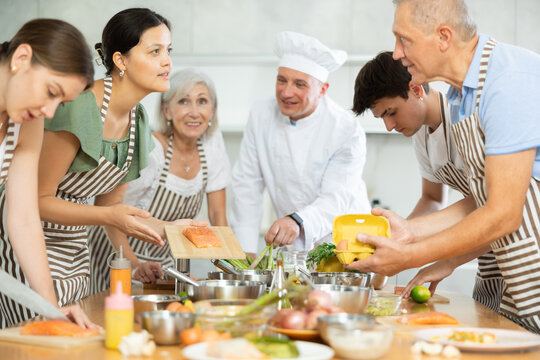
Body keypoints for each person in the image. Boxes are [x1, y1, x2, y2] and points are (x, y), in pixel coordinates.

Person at [348, 0, 540, 333]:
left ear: (443, 37)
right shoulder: (461, 96)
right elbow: (483, 199)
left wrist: (412, 255)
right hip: (518, 268)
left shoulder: (507, 81)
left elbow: (504, 212)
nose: (396, 53)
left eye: (403, 39)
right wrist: (410, 232)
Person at [33, 8, 194, 306]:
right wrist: (110, 215)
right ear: (120, 60)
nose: (167, 61)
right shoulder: (81, 107)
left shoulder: (138, 121)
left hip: (73, 251)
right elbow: (38, 200)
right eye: (154, 51)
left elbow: (111, 207)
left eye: (168, 50)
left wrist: (135, 264)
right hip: (27, 245)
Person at [231, 31, 371, 255]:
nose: (286, 92)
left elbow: (336, 198)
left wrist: (297, 220)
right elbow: (247, 185)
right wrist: (244, 251)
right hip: (292, 246)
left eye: (300, 84)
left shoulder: (345, 129)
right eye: (281, 80)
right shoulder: (261, 114)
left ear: (323, 90)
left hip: (344, 245)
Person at [89, 68, 230, 288]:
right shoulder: (151, 150)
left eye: (202, 101)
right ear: (166, 110)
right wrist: (134, 265)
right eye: (183, 101)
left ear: (213, 110)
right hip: (117, 255)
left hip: (162, 264)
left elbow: (217, 214)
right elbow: (111, 213)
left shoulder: (211, 149)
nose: (194, 112)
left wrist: (233, 267)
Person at [0, 19, 96, 328]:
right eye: (51, 91)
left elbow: (24, 216)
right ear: (21, 59)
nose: (51, 111)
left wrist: (51, 308)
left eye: (62, 102)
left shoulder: (26, 119)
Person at [353, 51, 468, 219]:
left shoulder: (464, 120)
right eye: (381, 118)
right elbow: (433, 199)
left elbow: (486, 201)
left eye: (391, 112)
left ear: (415, 89)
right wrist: (404, 230)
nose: (389, 127)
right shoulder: (421, 132)